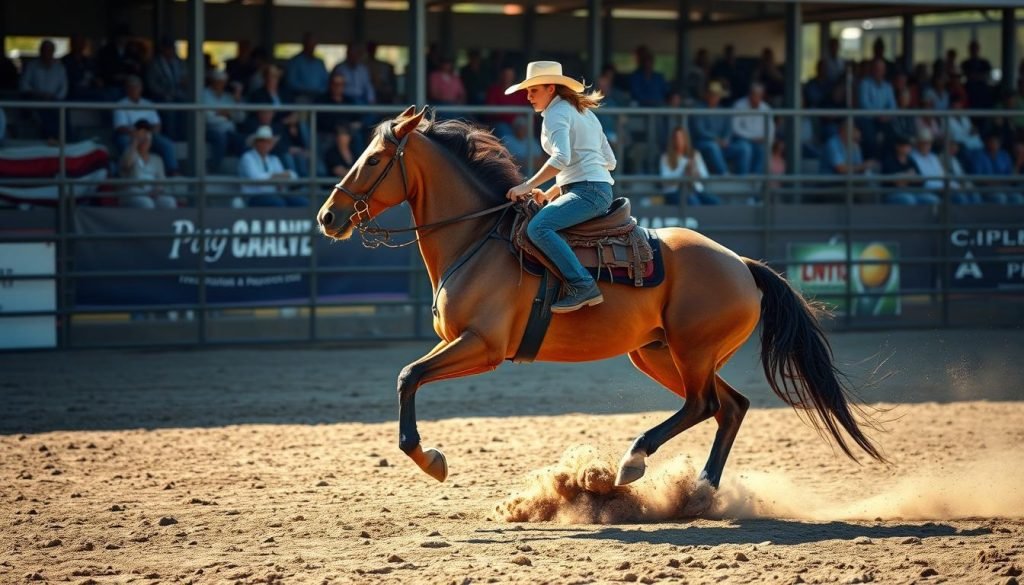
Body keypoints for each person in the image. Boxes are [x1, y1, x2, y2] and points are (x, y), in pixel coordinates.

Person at [503, 61, 617, 313]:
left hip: (587, 192)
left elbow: (562, 158)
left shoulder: (556, 114)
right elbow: (609, 161)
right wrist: (553, 192)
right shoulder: (585, 113)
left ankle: (582, 285)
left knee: (539, 228)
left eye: (534, 90)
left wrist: (528, 185)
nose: (528, 96)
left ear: (551, 88)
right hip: (596, 189)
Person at [113, 76, 179, 175]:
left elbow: (157, 124)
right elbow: (120, 127)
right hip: (130, 135)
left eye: (137, 87)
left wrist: (149, 134)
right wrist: (137, 134)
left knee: (167, 144)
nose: (134, 89)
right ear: (127, 89)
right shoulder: (120, 104)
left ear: (141, 88)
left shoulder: (148, 103)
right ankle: (129, 172)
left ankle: (173, 172)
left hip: (148, 134)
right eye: (131, 87)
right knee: (123, 141)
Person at [690, 81, 751, 175]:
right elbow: (700, 131)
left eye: (717, 95)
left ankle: (743, 177)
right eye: (713, 94)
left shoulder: (723, 111)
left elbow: (728, 129)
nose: (715, 97)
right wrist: (716, 139)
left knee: (744, 147)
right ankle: (724, 174)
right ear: (707, 95)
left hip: (722, 145)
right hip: (703, 144)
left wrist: (725, 139)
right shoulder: (698, 109)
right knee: (712, 146)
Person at [238, 125, 306, 207]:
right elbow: (256, 178)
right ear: (256, 143)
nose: (266, 144)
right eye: (263, 141)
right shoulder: (247, 158)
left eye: (269, 142)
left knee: (301, 202)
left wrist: (281, 177)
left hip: (275, 195)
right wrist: (276, 176)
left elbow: (293, 176)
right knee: (278, 203)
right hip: (254, 197)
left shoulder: (274, 159)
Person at [119, 120, 177, 209]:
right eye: (143, 136)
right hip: (134, 192)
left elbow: (161, 182)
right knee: (147, 203)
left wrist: (156, 191)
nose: (145, 140)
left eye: (148, 137)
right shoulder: (129, 154)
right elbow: (126, 165)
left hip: (153, 193)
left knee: (169, 202)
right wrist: (135, 141)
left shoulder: (157, 159)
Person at [18, 39, 66, 141]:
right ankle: (48, 138)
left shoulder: (59, 67)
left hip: (55, 101)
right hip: (35, 99)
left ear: (53, 52)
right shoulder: (32, 66)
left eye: (50, 50)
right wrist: (39, 94)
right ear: (40, 51)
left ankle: (59, 139)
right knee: (41, 112)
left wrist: (54, 97)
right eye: (45, 50)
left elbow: (64, 88)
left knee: (59, 113)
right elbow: (24, 85)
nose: (47, 53)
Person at [659, 126, 719, 206]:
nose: (679, 141)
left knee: (714, 202)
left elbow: (705, 177)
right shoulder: (666, 157)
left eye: (681, 138)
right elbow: (665, 180)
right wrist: (683, 170)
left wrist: (695, 172)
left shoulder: (695, 155)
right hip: (674, 192)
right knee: (693, 202)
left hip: (694, 190)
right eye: (676, 138)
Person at [202, 69, 245, 173]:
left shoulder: (228, 97)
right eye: (218, 82)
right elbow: (208, 119)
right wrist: (227, 115)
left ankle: (244, 171)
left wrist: (238, 101)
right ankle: (213, 170)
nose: (221, 85)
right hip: (210, 130)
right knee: (221, 138)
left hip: (229, 131)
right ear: (212, 81)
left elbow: (240, 118)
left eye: (223, 82)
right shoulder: (204, 94)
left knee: (241, 140)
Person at [731, 82, 774, 174]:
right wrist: (752, 138)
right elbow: (735, 128)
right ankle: (743, 179)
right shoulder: (739, 105)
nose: (757, 98)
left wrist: (765, 139)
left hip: (760, 140)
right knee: (745, 148)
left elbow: (770, 130)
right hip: (742, 139)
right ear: (750, 94)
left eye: (759, 95)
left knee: (763, 148)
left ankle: (756, 180)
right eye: (755, 95)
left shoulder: (766, 108)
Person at [284, 32, 328, 102]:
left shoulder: (320, 62)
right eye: (309, 44)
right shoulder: (295, 61)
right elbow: (291, 82)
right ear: (304, 44)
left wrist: (319, 90)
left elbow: (326, 81)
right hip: (300, 97)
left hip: (319, 96)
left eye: (313, 44)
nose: (311, 46)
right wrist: (308, 90)